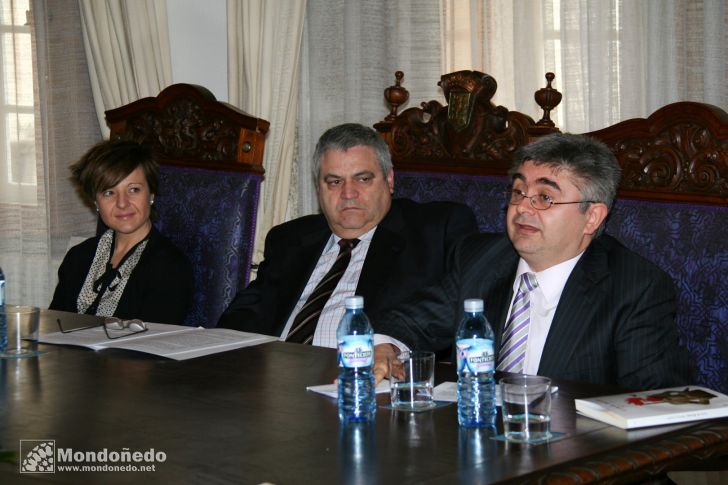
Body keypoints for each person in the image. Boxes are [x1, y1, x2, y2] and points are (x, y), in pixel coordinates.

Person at [371, 133, 690, 390]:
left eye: (545, 198)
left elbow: (655, 403)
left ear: (591, 217)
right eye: (518, 191)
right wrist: (386, 347)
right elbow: (408, 321)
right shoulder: (479, 258)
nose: (523, 208)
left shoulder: (634, 287)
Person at [218, 123, 478, 348]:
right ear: (318, 188)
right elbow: (242, 318)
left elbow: (450, 312)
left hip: (361, 380)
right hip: (274, 379)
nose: (348, 193)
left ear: (389, 180)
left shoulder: (434, 232)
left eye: (363, 179)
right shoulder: (290, 238)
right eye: (334, 181)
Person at [50, 139, 193, 325]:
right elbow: (54, 328)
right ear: (95, 202)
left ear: (151, 194)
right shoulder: (78, 257)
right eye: (109, 192)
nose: (122, 203)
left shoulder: (170, 267)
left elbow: (151, 344)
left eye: (133, 189)